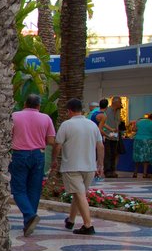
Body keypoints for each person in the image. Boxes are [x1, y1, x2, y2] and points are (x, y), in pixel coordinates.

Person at [51, 98, 104, 235]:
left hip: (72, 166)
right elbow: (100, 145)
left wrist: (54, 160)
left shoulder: (66, 125)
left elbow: (58, 144)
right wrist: (100, 164)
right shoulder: (92, 125)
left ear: (69, 111)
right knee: (79, 194)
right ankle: (71, 220)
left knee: (79, 195)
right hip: (89, 167)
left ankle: (88, 225)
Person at [10, 94, 57, 236]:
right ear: (39, 105)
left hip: (19, 154)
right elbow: (50, 140)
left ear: (25, 104)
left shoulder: (14, 116)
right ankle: (29, 219)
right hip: (38, 154)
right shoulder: (46, 118)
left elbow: (7, 135)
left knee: (18, 189)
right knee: (34, 188)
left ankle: (29, 216)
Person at [99, 96, 123, 178]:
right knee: (108, 153)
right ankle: (107, 171)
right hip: (108, 135)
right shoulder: (107, 111)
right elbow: (103, 123)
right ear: (115, 102)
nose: (121, 104)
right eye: (120, 102)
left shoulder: (118, 112)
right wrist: (108, 131)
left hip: (115, 136)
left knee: (114, 153)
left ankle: (113, 170)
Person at [132, 112, 152, 179]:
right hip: (147, 140)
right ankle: (144, 174)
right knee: (146, 157)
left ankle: (135, 173)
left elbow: (134, 129)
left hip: (137, 139)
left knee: (137, 156)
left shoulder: (139, 121)